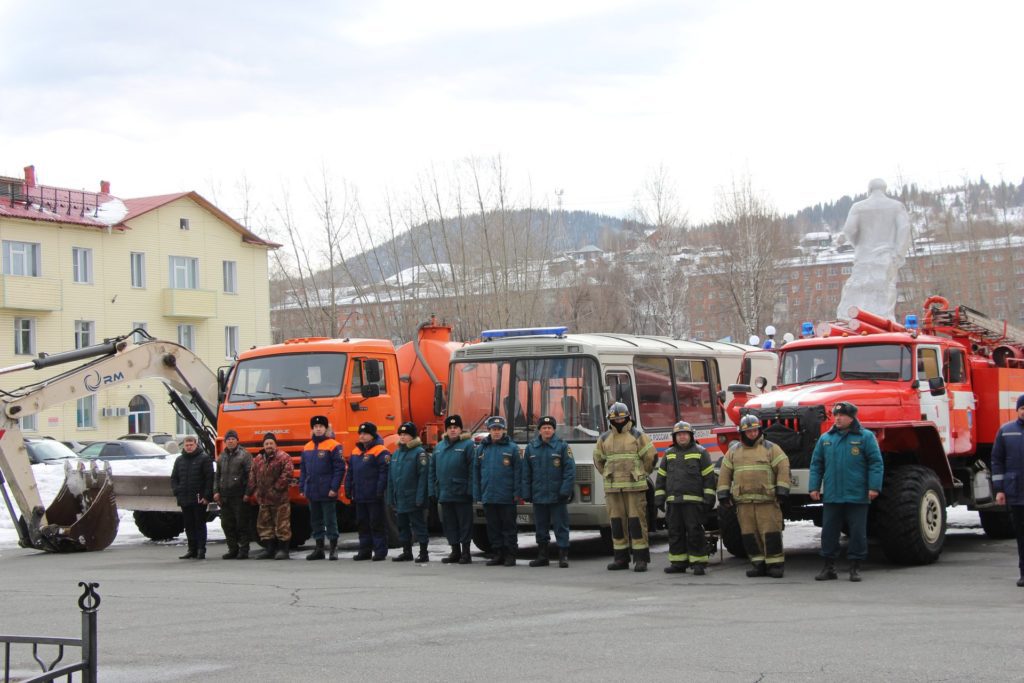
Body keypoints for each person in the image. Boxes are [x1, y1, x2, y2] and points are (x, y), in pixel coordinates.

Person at [809, 402, 884, 582]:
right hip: (833, 495)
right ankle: (829, 567)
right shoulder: (826, 439)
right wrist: (814, 487)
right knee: (829, 532)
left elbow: (876, 463)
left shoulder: (865, 437)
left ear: (851, 417)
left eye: (842, 416)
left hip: (856, 495)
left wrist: (874, 487)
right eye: (836, 415)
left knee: (857, 532)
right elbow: (816, 464)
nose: (838, 419)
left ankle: (855, 567)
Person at [717, 414, 790, 578]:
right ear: (742, 433)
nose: (752, 433)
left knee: (771, 533)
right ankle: (758, 564)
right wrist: (723, 494)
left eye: (755, 430)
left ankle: (775, 565)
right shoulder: (734, 452)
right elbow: (725, 473)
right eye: (748, 431)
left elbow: (783, 467)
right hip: (743, 502)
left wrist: (782, 490)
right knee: (749, 535)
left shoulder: (771, 448)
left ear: (760, 430)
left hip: (767, 501)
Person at [836, 178, 912, 320]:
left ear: (869, 190)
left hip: (863, 256)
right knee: (883, 290)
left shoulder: (858, 207)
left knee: (857, 288)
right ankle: (881, 320)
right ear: (884, 189)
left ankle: (850, 318)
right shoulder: (896, 206)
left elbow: (849, 230)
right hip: (886, 255)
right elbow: (904, 229)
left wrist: (858, 245)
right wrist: (899, 253)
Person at [594, 402, 656, 572]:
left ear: (627, 417)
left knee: (637, 523)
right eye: (615, 418)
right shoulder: (604, 438)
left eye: (621, 417)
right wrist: (608, 474)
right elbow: (598, 460)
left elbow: (650, 457)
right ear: (610, 420)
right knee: (616, 524)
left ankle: (641, 559)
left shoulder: (637, 436)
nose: (618, 421)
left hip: (634, 487)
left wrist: (641, 473)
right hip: (613, 489)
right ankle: (620, 559)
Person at [655, 421, 716, 575]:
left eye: (685, 434)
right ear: (675, 437)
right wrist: (659, 499)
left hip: (693, 503)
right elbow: (661, 478)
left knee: (694, 532)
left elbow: (709, 478)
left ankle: (698, 563)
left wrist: (709, 500)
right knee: (675, 532)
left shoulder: (701, 452)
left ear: (691, 435)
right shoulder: (669, 454)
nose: (682, 437)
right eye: (679, 434)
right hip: (674, 502)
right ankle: (678, 562)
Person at [522, 415, 575, 568]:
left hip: (557, 496)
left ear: (553, 430)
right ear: (539, 430)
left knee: (561, 526)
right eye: (544, 428)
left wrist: (565, 491)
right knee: (540, 527)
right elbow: (526, 473)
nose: (547, 430)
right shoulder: (531, 448)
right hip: (538, 496)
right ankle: (542, 556)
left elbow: (569, 471)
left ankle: (563, 556)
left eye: (549, 428)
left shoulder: (562, 446)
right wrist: (527, 493)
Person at [472, 415, 521, 567]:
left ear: (504, 430)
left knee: (509, 528)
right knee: (493, 528)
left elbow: (519, 473)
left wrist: (517, 493)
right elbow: (476, 473)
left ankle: (510, 555)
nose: (496, 432)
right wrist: (477, 494)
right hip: (489, 496)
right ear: (489, 430)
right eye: (494, 429)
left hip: (506, 496)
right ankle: (497, 554)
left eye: (499, 429)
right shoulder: (481, 449)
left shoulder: (512, 448)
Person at [429, 415, 475, 564]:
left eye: (455, 428)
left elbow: (472, 470)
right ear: (446, 430)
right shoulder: (439, 447)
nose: (453, 430)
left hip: (462, 493)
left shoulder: (467, 445)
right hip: (445, 492)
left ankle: (466, 553)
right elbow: (432, 470)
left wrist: (470, 489)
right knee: (449, 524)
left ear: (460, 429)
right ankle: (455, 551)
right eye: (450, 428)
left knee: (464, 524)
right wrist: (433, 490)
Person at [298, 415, 345, 561]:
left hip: (327, 490)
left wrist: (334, 487)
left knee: (330, 520)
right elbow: (304, 470)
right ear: (312, 429)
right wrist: (302, 487)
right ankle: (319, 548)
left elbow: (339, 469)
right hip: (312, 490)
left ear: (326, 428)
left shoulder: (333, 445)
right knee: (315, 520)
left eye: (321, 427)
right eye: (315, 427)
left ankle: (333, 548)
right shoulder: (307, 447)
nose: (318, 429)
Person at [345, 422, 390, 561]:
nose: (362, 436)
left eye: (365, 434)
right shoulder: (355, 452)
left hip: (373, 495)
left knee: (376, 523)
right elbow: (350, 472)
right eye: (361, 433)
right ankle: (364, 550)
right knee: (362, 523)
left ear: (372, 435)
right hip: (359, 495)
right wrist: (348, 488)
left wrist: (379, 490)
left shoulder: (381, 451)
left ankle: (380, 551)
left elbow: (384, 474)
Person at [992, 393, 1024, 587]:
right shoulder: (1006, 431)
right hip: (1016, 493)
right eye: (1022, 409)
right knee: (1021, 536)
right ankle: (1023, 573)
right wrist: (999, 489)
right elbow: (997, 461)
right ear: (1018, 410)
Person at [388, 422, 430, 563]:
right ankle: (407, 552)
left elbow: (423, 477)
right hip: (400, 498)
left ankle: (423, 552)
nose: (402, 437)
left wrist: (420, 497)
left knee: (418, 525)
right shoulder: (397, 453)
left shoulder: (419, 453)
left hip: (413, 497)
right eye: (401, 434)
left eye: (406, 434)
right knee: (402, 525)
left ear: (412, 437)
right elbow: (391, 478)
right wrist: (390, 497)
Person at [248, 433, 294, 560]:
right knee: (264, 526)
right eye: (267, 443)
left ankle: (283, 550)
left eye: (271, 443)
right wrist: (254, 491)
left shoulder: (284, 457)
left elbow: (287, 474)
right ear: (263, 445)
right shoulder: (258, 459)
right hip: (263, 499)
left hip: (280, 499)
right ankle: (269, 549)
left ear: (275, 444)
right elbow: (252, 475)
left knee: (282, 525)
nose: (269, 446)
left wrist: (276, 489)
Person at [171, 434, 214, 560]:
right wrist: (177, 491)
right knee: (188, 525)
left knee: (199, 524)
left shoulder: (204, 458)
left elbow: (209, 479)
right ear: (184, 446)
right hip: (185, 498)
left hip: (199, 498)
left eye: (191, 445)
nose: (189, 447)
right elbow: (174, 478)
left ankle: (201, 549)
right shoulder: (179, 460)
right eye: (187, 445)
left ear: (196, 444)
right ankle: (192, 549)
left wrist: (207, 496)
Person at [213, 429, 253, 559]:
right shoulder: (222, 456)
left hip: (239, 495)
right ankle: (232, 549)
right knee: (226, 524)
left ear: (237, 440)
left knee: (241, 524)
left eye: (232, 439)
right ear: (225, 442)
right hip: (225, 496)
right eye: (228, 439)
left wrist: (248, 493)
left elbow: (250, 476)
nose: (230, 441)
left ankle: (244, 550)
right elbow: (217, 476)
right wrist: (216, 491)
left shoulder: (245, 455)